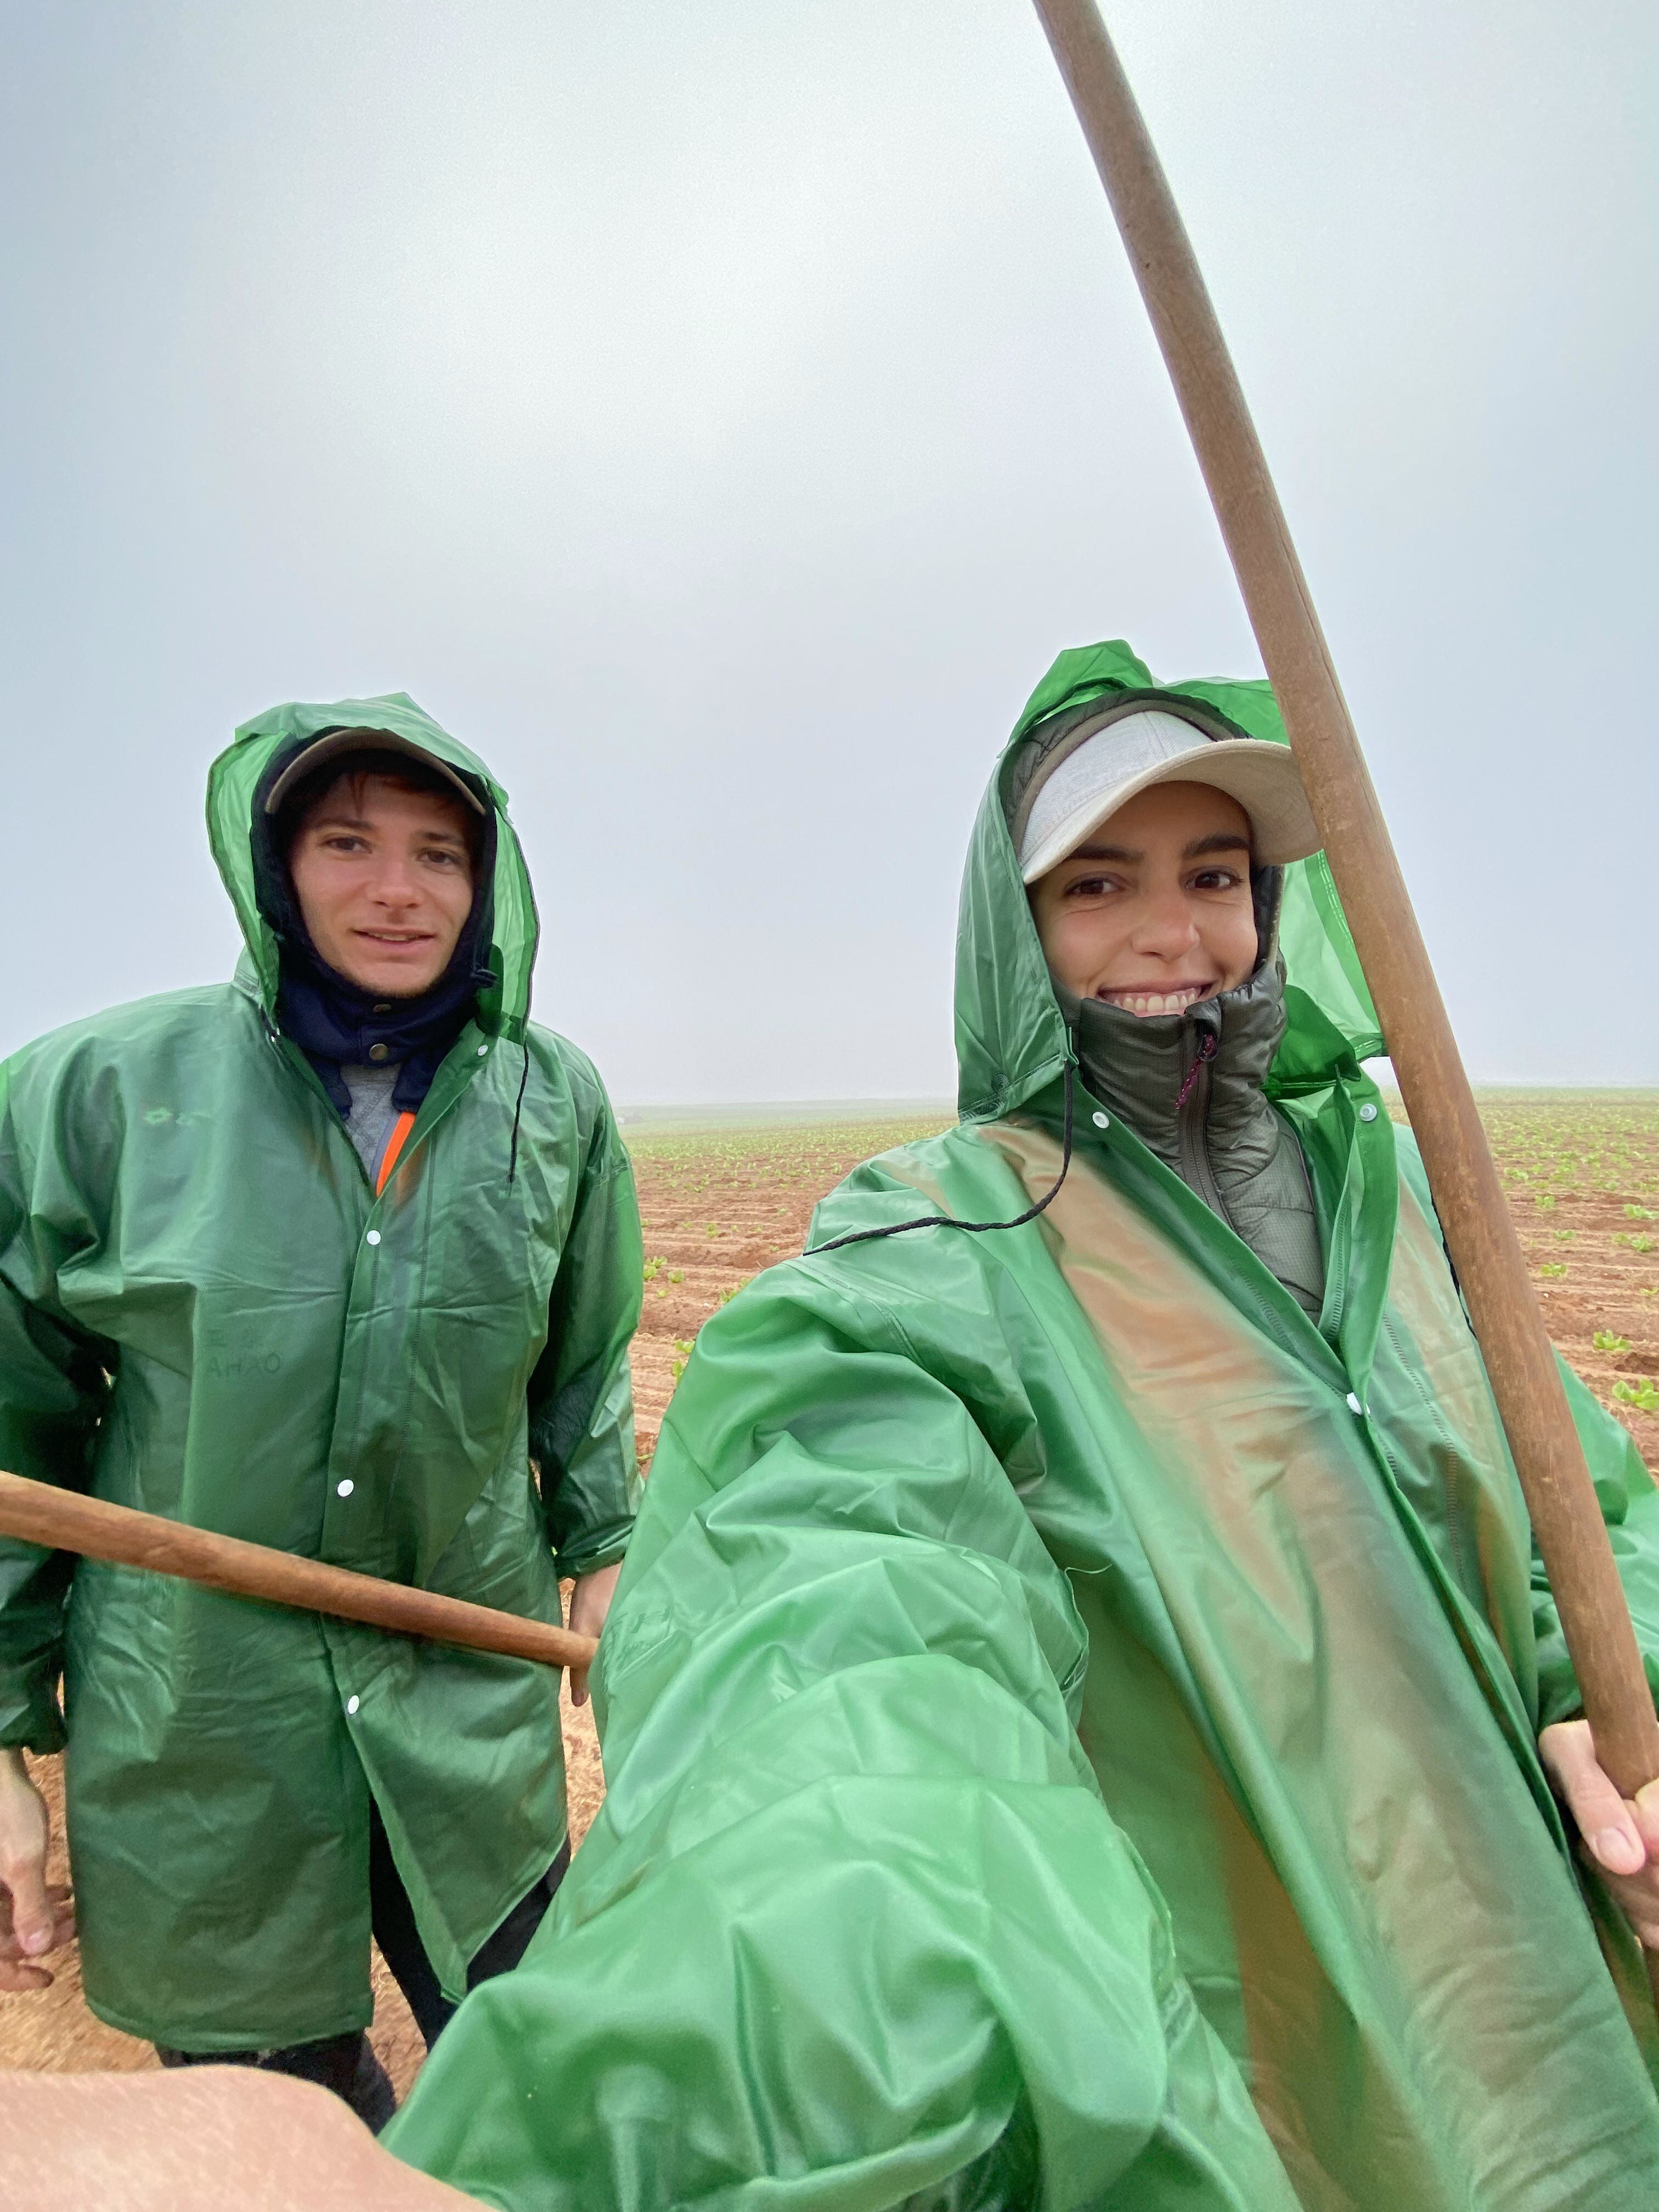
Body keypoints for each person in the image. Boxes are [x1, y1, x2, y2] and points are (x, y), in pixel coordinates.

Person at [370, 641, 1659, 2209]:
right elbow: (848, 1599)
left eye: (1215, 873)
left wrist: (1624, 1689)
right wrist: (844, 1938)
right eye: (1097, 886)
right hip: (1268, 2023)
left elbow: (1575, 1521)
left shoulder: (1401, 1198)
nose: (1173, 934)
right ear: (1017, 927)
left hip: (1564, 1974)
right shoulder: (946, 1239)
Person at [0, 695, 642, 2129]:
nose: (397, 890)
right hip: (197, 1716)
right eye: (348, 842)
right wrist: (2, 1749)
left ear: (491, 883)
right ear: (270, 862)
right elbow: (13, 1421)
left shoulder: (555, 1104)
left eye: (439, 852)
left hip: (467, 1688)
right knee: (267, 2124)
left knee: (548, 2076)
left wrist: (603, 1562)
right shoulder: (88, 1097)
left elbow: (588, 1367)